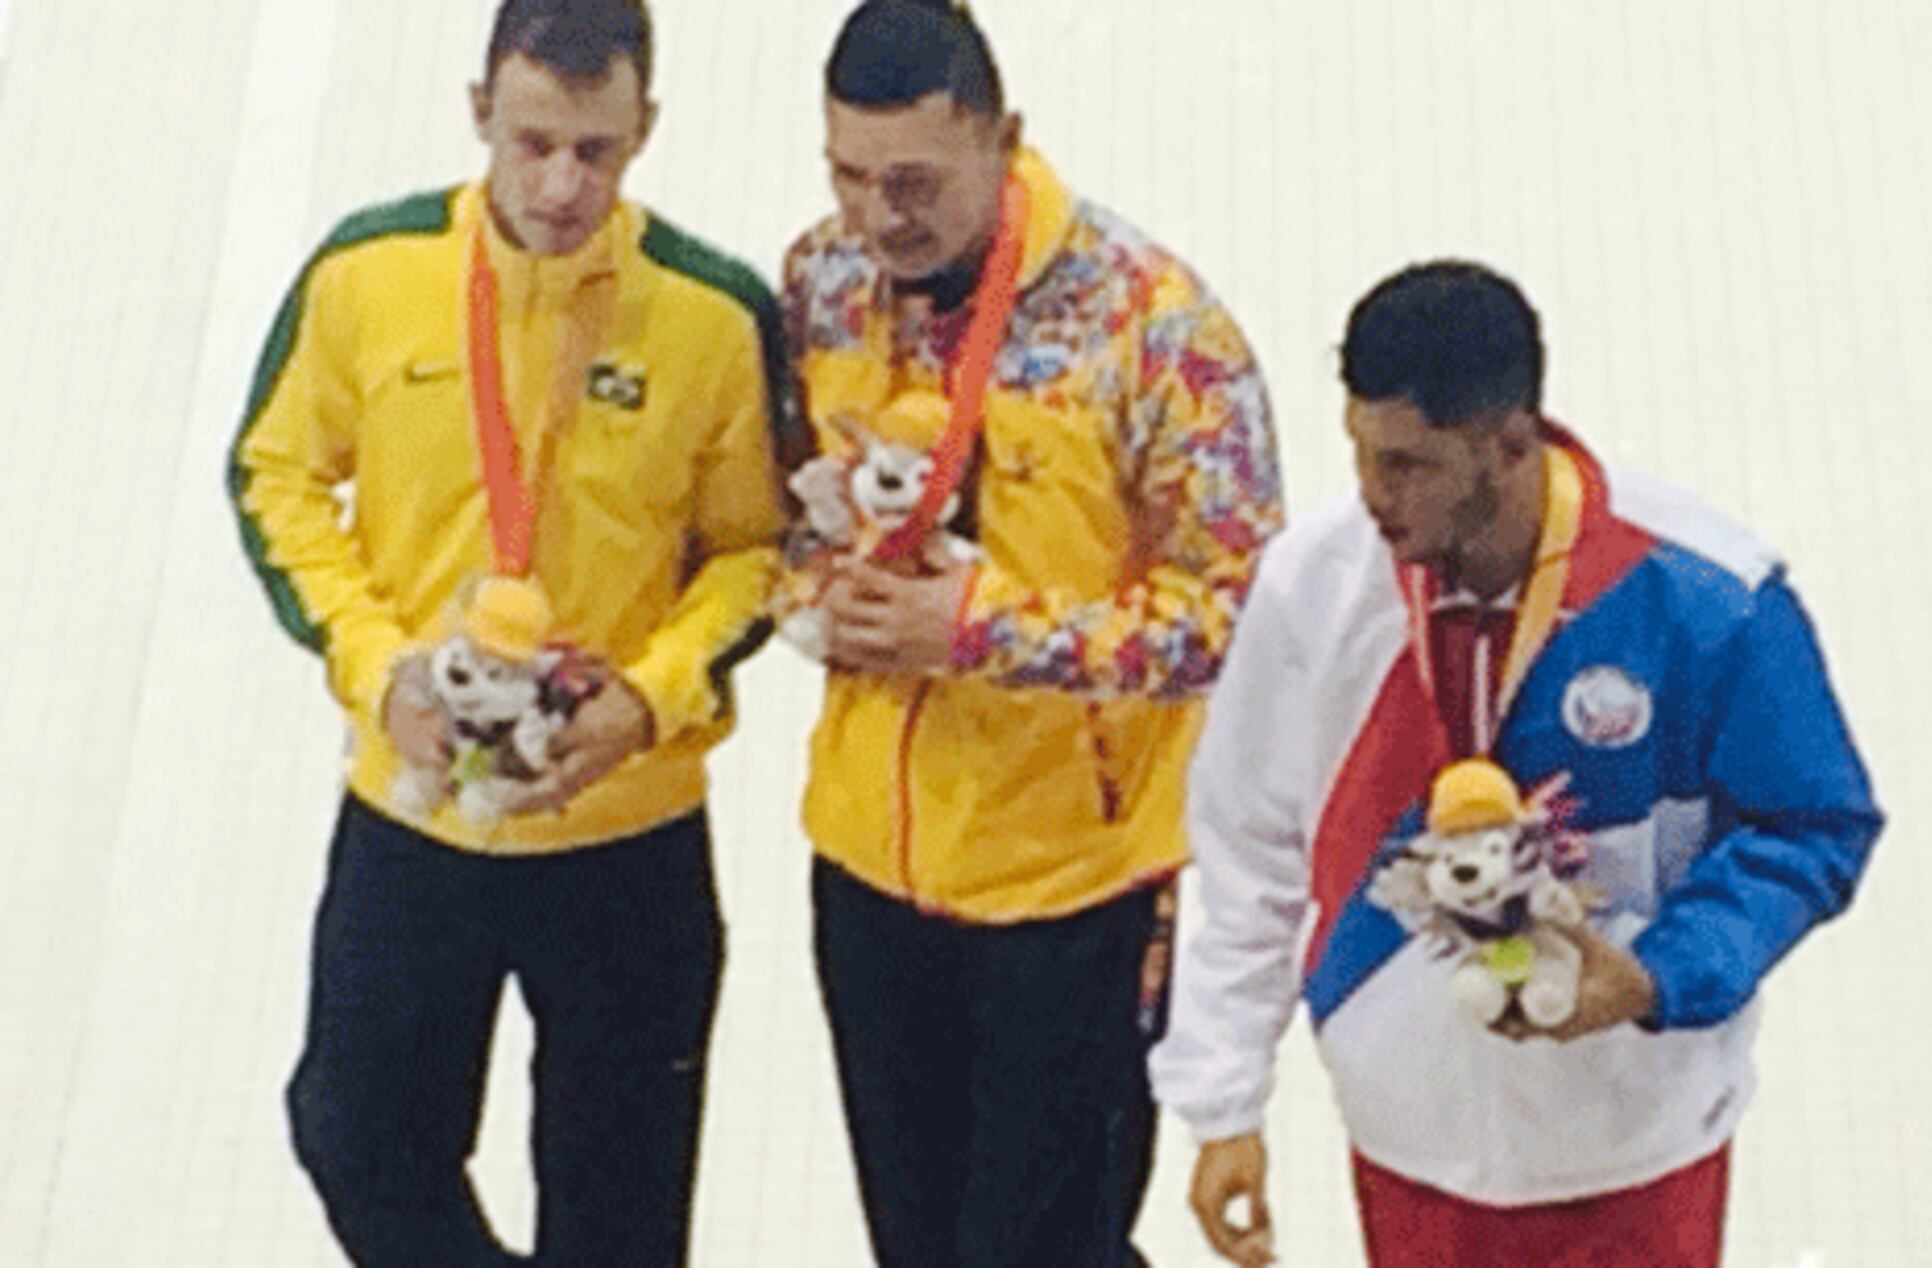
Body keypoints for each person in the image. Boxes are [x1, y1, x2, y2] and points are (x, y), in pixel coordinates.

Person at [1151, 261, 1887, 1267]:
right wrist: (1223, 1099)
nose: (1373, 496)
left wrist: (1654, 976)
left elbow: (1812, 825)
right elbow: (1251, 848)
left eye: (1409, 465)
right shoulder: (1313, 589)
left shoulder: (1703, 595)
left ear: (1508, 444)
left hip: (1637, 1152)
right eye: (1362, 454)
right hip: (1409, 1144)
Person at [226, 1, 796, 1261]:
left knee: (620, 1210)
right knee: (355, 1127)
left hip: (627, 830)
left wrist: (647, 695)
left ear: (645, 128)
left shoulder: (712, 315)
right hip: (416, 809)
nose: (559, 184)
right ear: (478, 109)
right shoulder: (366, 275)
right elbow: (274, 477)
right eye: (532, 141)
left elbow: (757, 551)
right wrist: (382, 677)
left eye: (596, 150)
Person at [773, 3, 1284, 1265]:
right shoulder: (824, 282)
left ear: (1004, 138)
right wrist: (813, 596)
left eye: (915, 182)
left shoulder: (1155, 328)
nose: (880, 216)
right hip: (870, 866)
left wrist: (986, 627)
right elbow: (779, 516)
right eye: (849, 176)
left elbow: (1236, 617)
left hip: (1074, 891)